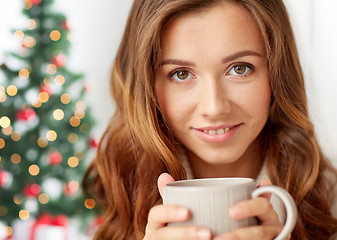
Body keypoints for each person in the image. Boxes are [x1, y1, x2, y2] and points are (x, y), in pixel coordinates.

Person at [83, 0, 337, 239]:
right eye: (181, 74)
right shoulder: (119, 186)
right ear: (146, 87)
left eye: (239, 68)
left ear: (277, 73)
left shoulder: (329, 197)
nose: (214, 108)